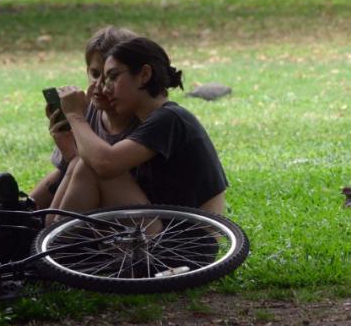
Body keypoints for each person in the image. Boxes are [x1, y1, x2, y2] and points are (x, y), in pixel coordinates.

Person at [51, 36, 228, 215]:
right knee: (79, 163)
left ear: (144, 75)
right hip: (162, 227)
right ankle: (44, 236)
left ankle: (53, 241)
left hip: (187, 237)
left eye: (113, 77)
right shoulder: (153, 119)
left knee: (91, 167)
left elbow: (105, 163)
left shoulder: (170, 118)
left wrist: (75, 116)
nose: (105, 89)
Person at [29, 26, 140, 208]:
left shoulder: (145, 117)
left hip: (141, 220)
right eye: (95, 74)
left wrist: (75, 118)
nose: (100, 85)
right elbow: (67, 172)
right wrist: (26, 208)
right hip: (97, 210)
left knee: (88, 165)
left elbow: (98, 167)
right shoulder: (85, 110)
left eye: (111, 76)